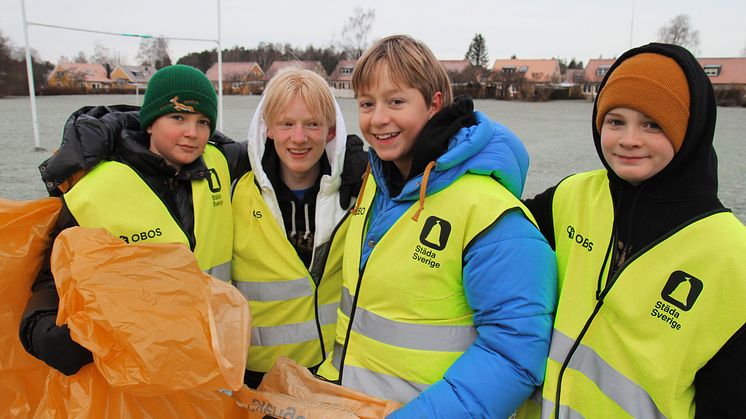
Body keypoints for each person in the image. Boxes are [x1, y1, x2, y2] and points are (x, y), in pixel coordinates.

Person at [314, 35, 558, 418]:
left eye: (396, 101)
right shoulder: (377, 185)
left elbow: (515, 352)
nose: (378, 119)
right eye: (366, 103)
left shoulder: (489, 213)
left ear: (434, 104)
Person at [521, 43, 746, 418]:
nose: (629, 139)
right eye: (615, 121)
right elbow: (492, 229)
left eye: (652, 124)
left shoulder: (731, 256)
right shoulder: (573, 196)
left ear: (689, 130)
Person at [19, 64, 247, 375]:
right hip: (137, 372)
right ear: (150, 122)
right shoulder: (93, 189)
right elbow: (52, 276)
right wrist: (42, 330)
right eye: (178, 117)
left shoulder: (219, 162)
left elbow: (285, 146)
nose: (192, 133)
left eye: (203, 121)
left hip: (210, 363)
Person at [230, 68, 367, 388]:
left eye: (313, 124)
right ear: (268, 129)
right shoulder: (233, 191)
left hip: (335, 374)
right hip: (256, 380)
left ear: (331, 131)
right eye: (287, 124)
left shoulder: (361, 190)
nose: (299, 137)